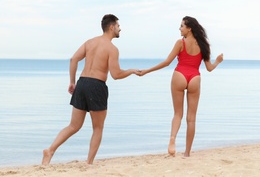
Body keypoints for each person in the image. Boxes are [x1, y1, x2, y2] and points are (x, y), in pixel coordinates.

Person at [42, 14, 141, 165]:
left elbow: (73, 59)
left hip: (82, 83)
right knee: (98, 128)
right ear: (111, 27)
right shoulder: (112, 49)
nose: (120, 29)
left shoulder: (89, 42)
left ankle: (50, 150)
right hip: (96, 86)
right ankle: (89, 163)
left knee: (74, 126)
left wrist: (72, 82)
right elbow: (116, 74)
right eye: (118, 26)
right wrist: (132, 71)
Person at [140, 16, 223, 157]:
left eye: (182, 26)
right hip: (195, 78)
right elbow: (209, 68)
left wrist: (147, 71)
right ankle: (187, 153)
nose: (180, 28)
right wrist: (218, 61)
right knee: (191, 119)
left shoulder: (180, 43)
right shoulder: (203, 45)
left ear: (189, 28)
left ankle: (172, 140)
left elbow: (167, 62)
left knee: (178, 114)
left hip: (180, 75)